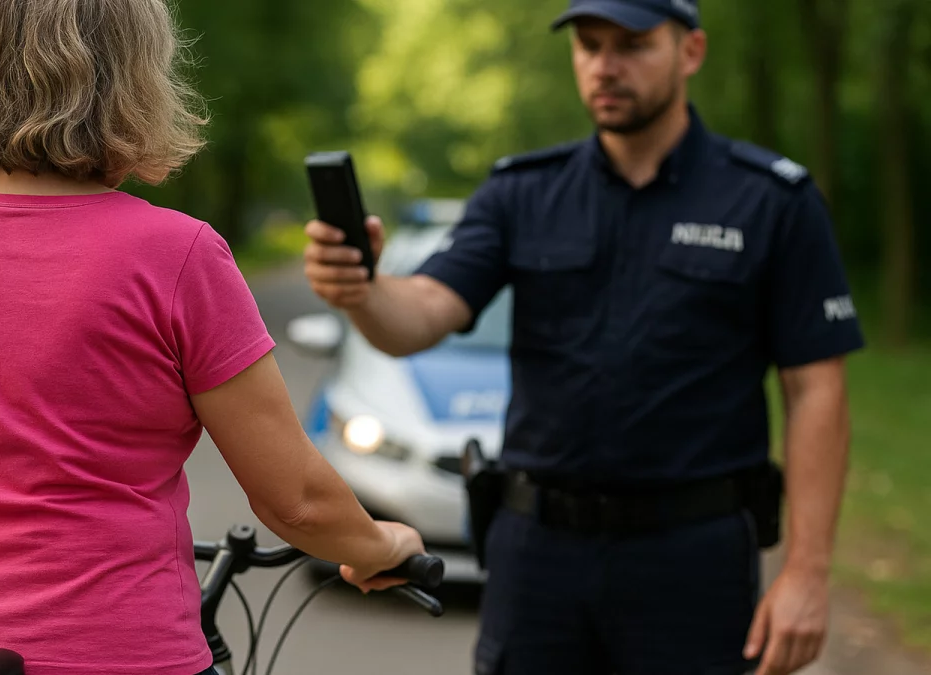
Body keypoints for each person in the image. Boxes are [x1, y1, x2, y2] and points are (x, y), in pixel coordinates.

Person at [0, 1, 426, 674]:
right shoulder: (176, 254)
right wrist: (379, 545)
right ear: (135, 83)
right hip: (116, 649)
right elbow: (295, 500)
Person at [302, 0, 865, 673]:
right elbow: (420, 313)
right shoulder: (521, 193)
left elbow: (816, 389)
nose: (605, 65)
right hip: (537, 558)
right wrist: (363, 291)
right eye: (590, 45)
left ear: (690, 52)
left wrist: (807, 571)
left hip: (693, 563)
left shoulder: (772, 201)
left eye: (632, 45)